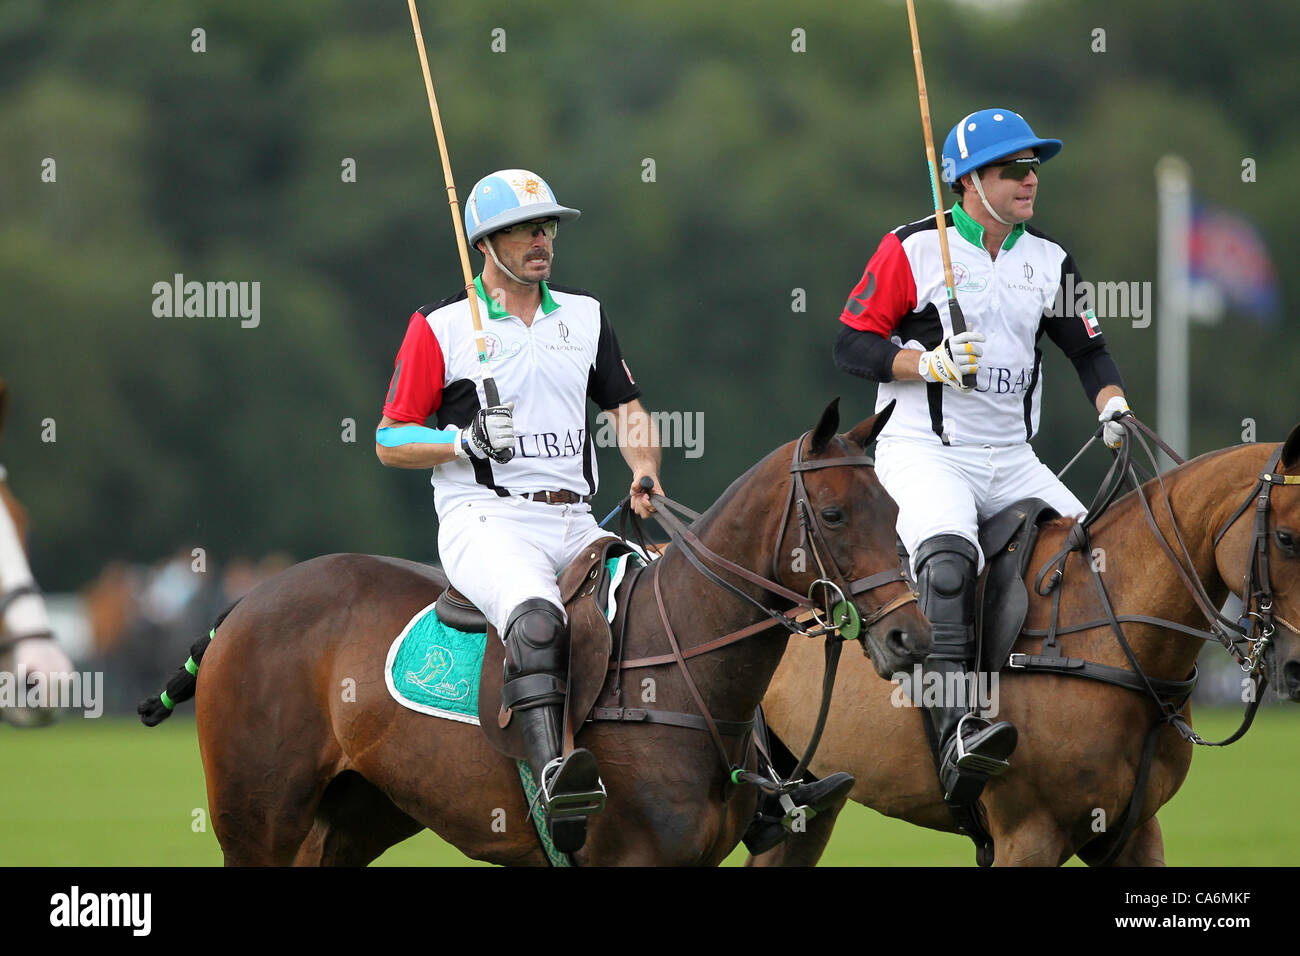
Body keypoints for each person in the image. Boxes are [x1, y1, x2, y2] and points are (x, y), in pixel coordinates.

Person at [832, 109, 1131, 807]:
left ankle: (1085, 715)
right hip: (924, 450)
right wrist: (923, 362)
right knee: (948, 557)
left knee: (1101, 558)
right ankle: (956, 725)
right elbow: (850, 343)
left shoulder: (1048, 259)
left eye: (1034, 168)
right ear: (969, 181)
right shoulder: (911, 249)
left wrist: (1111, 403)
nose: (1030, 180)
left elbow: (1087, 348)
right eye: (1012, 170)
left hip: (1012, 456)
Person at [375, 169, 662, 852]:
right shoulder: (441, 326)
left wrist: (644, 467)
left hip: (577, 519)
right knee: (537, 619)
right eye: (526, 229)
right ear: (485, 241)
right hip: (485, 519)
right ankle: (552, 778)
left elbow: (625, 408)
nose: (543, 240)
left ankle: (763, 779)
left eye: (548, 228)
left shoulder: (585, 316)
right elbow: (389, 438)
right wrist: (460, 439)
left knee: (673, 605)